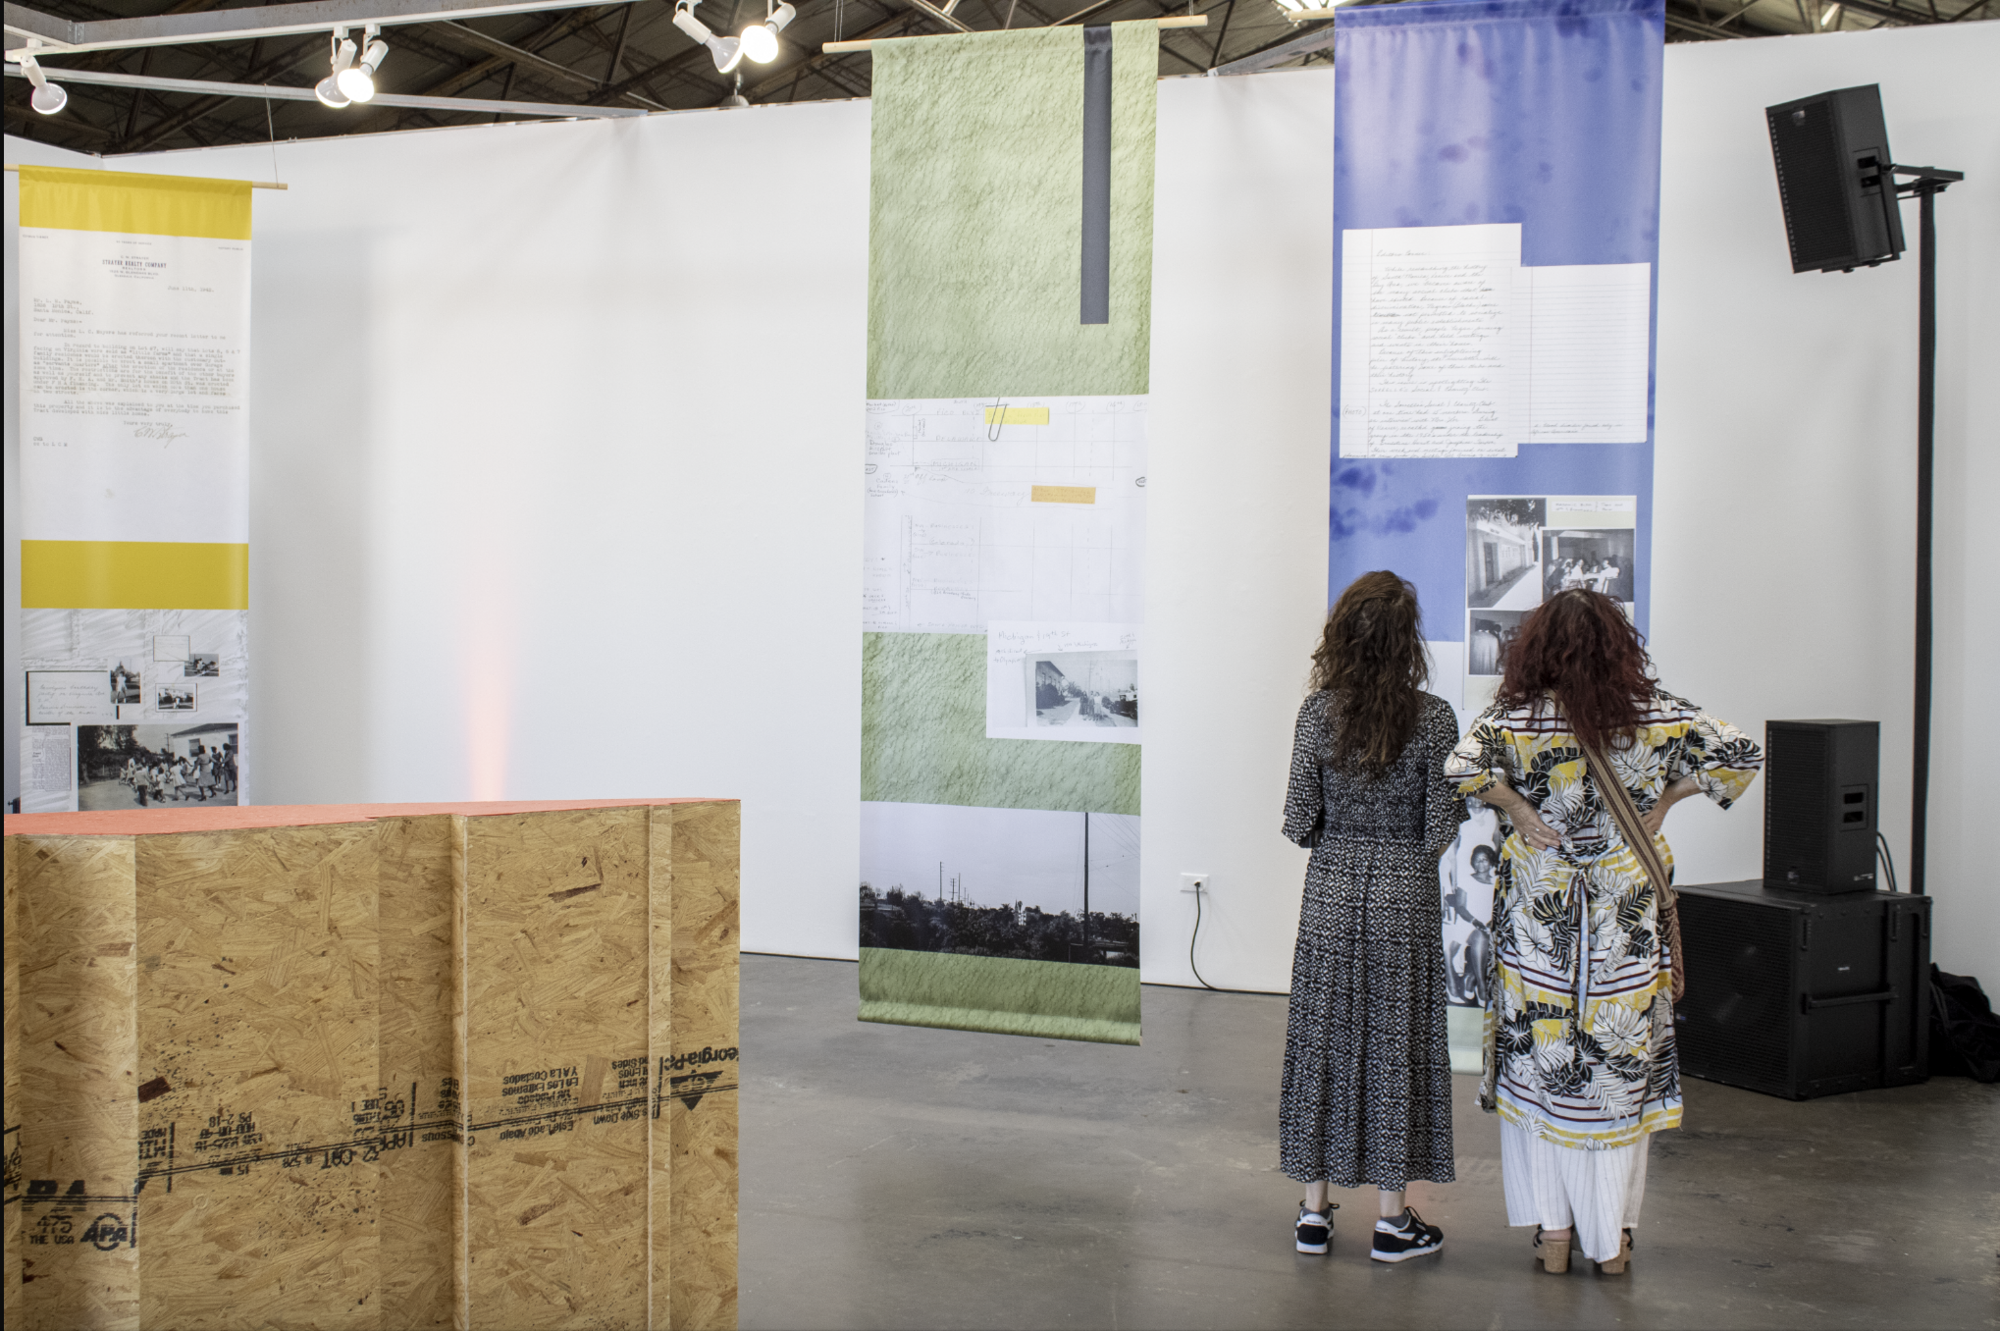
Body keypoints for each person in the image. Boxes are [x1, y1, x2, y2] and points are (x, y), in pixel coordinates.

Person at [1444, 588, 1762, 1276]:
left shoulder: (1516, 716)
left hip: (1540, 923)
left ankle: (1554, 1236)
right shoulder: (1659, 713)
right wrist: (1668, 799)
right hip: (1625, 922)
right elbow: (1741, 753)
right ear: (1619, 645)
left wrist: (1518, 808)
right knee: (1618, 1072)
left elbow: (1460, 769)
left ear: (1536, 647)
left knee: (1542, 1068)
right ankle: (1610, 1242)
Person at [1280, 571, 1465, 1263]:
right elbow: (1439, 826)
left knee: (1321, 1043)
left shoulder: (1316, 713)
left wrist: (1345, 839)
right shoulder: (1435, 718)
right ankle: (1391, 1221)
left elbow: (1300, 820)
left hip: (1329, 894)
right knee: (1396, 1046)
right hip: (1404, 897)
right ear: (1407, 639)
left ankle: (1314, 1213)